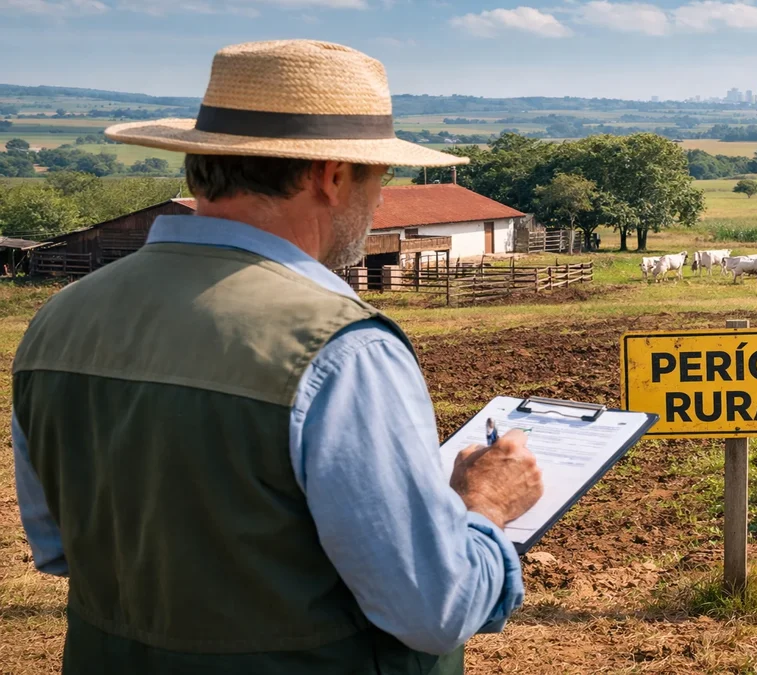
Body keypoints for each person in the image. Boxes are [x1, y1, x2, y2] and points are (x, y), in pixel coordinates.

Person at [11, 40, 543, 675]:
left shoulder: (61, 318)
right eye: (378, 178)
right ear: (331, 175)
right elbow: (435, 609)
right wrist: (482, 506)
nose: (378, 204)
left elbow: (58, 546)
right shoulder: (341, 347)